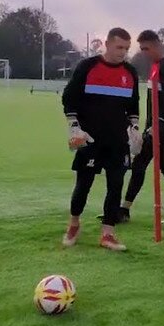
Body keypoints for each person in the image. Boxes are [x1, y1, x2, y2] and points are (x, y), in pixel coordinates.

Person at [61, 27, 142, 252]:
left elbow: (133, 106)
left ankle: (108, 233)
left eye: (126, 48)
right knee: (83, 186)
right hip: (90, 140)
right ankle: (74, 225)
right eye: (119, 47)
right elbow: (69, 99)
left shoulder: (131, 72)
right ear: (107, 44)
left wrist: (134, 128)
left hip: (118, 142)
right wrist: (74, 127)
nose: (123, 52)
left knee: (115, 187)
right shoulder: (88, 67)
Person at [118, 30, 164, 224]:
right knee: (140, 165)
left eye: (146, 48)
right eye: (141, 49)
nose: (144, 52)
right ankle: (124, 209)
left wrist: (159, 125)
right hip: (154, 127)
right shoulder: (155, 67)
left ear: (157, 45)